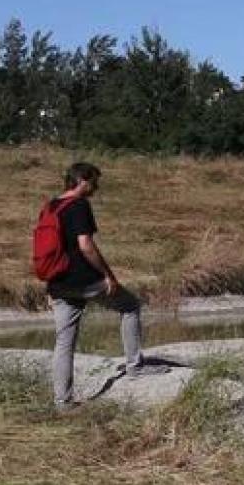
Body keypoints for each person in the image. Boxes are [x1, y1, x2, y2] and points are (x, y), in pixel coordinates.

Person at [45, 162, 166, 410]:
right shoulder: (79, 205)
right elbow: (85, 245)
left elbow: (50, 249)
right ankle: (134, 366)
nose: (96, 188)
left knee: (64, 341)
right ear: (82, 181)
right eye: (94, 183)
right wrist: (109, 276)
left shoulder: (50, 206)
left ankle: (62, 401)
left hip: (58, 282)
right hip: (83, 279)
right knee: (131, 307)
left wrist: (50, 285)